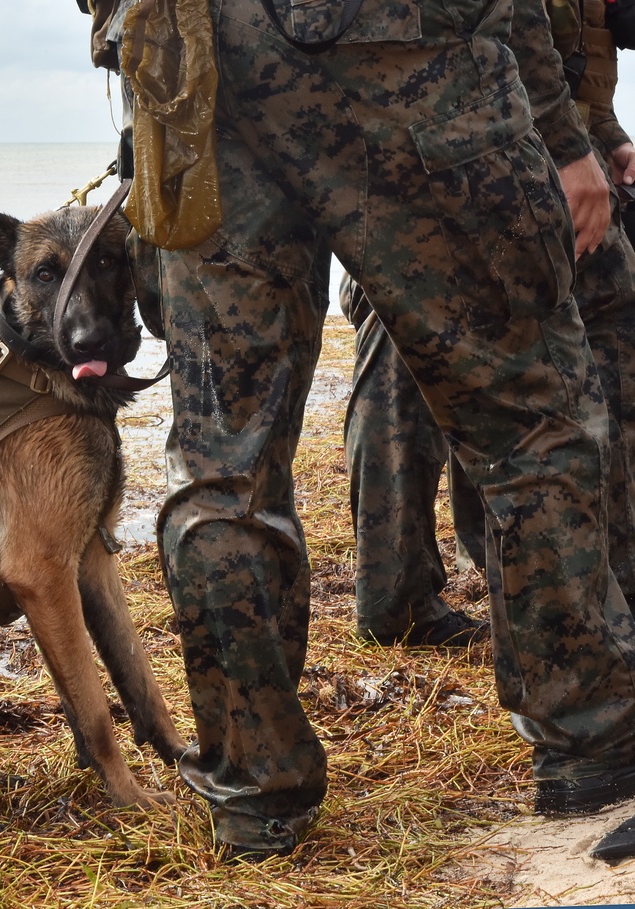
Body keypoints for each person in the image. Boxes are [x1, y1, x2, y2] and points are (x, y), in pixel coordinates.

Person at [78, 0, 635, 856]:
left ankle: (256, 792)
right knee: (532, 416)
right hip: (409, 51)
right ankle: (591, 739)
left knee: (222, 465)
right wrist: (567, 135)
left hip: (200, 69)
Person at [342, 0, 635, 648]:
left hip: (508, 135)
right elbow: (515, 18)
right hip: (448, 137)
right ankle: (406, 599)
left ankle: (549, 585)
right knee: (408, 352)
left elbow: (568, 35)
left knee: (526, 343)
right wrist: (567, 145)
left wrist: (600, 134)